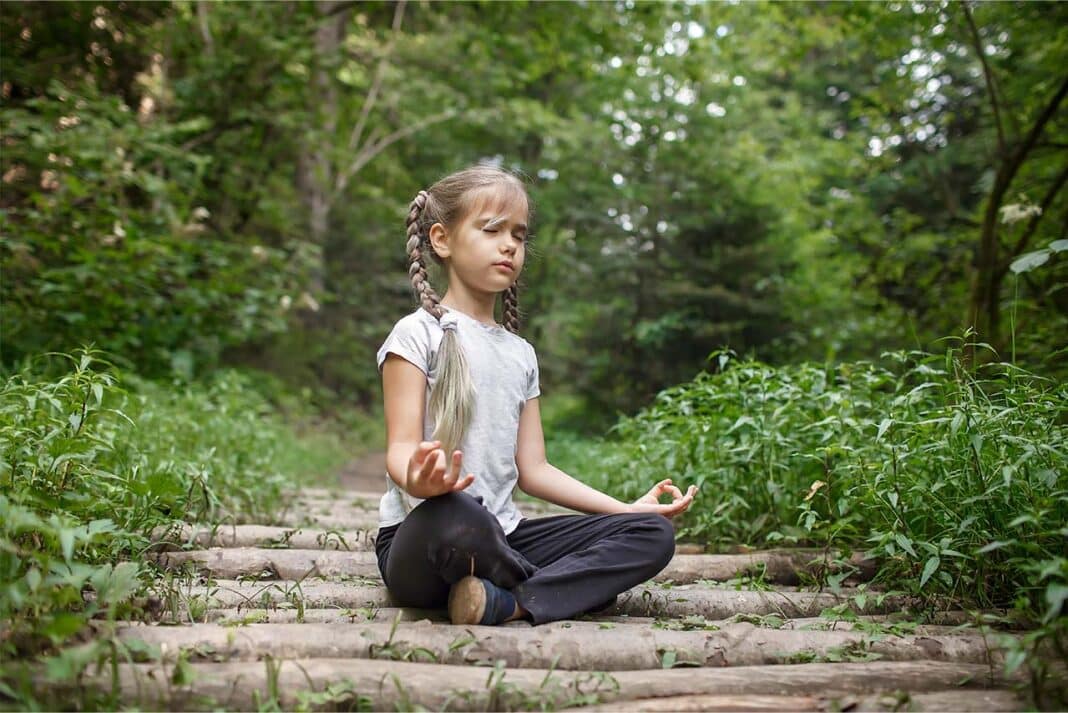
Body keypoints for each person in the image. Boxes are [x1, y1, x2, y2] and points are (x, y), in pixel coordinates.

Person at [374, 163, 698, 626]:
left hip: (505, 538)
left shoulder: (520, 353)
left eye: (519, 235)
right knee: (462, 515)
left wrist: (625, 509)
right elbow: (401, 448)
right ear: (442, 240)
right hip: (428, 536)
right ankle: (567, 588)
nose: (509, 244)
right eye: (492, 229)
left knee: (651, 534)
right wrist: (420, 482)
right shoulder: (415, 334)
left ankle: (509, 602)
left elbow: (535, 470)